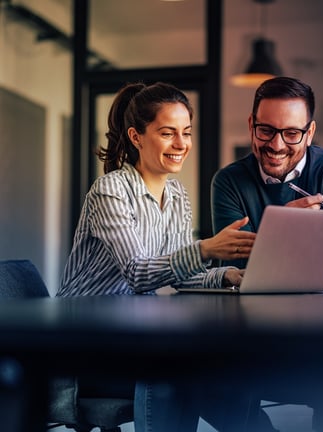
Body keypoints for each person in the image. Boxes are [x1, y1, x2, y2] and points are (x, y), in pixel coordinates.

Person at [56, 81, 256, 432]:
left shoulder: (177, 195)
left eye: (186, 133)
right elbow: (138, 273)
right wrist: (207, 248)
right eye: (168, 133)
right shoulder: (110, 190)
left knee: (228, 379)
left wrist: (226, 277)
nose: (181, 144)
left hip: (133, 338)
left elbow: (179, 275)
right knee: (178, 375)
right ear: (136, 137)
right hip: (85, 349)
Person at [211, 76, 323, 293]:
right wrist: (283, 231)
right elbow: (241, 277)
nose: (277, 145)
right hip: (261, 316)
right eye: (266, 130)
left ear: (310, 134)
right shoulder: (229, 182)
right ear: (251, 125)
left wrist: (270, 251)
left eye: (291, 133)